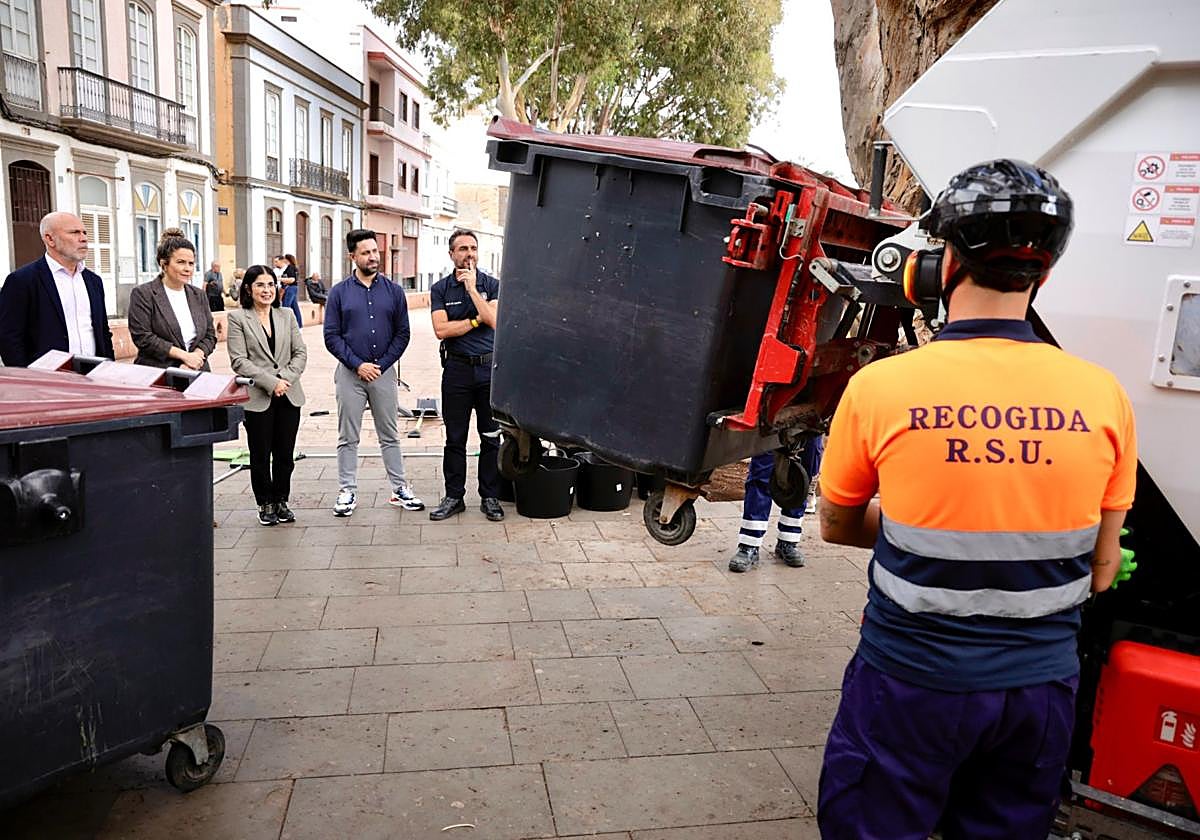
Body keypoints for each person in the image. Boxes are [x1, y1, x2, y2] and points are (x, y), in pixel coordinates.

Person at [815, 159, 1137, 840]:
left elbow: (837, 524)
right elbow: (1103, 571)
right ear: (1044, 274)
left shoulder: (880, 389)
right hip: (1039, 697)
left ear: (941, 264)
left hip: (908, 686)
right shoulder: (1104, 395)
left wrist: (926, 526)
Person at [323, 228, 424, 516]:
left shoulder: (394, 291)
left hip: (383, 372)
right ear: (352, 256)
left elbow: (403, 333)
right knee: (348, 435)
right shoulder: (339, 293)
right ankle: (347, 490)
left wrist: (381, 364)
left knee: (389, 434)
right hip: (349, 373)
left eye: (375, 251)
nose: (373, 257)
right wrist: (358, 365)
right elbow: (332, 336)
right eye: (366, 253)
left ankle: (399, 488)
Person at [427, 229, 503, 522]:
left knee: (491, 437)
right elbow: (441, 331)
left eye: (473, 248)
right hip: (457, 371)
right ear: (451, 254)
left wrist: (473, 291)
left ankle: (491, 497)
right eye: (462, 249)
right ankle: (454, 496)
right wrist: (475, 318)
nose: (469, 253)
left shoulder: (492, 285)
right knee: (455, 438)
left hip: (488, 371)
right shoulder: (441, 289)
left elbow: (496, 321)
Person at [226, 265, 308, 526]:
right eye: (260, 285)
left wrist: (286, 379)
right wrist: (272, 382)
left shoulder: (286, 315)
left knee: (285, 453)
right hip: (258, 397)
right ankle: (265, 503)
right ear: (249, 288)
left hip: (289, 394)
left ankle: (282, 500)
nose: (267, 290)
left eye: (271, 284)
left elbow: (301, 353)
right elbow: (239, 360)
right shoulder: (238, 318)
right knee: (260, 454)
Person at [0, 210, 114, 366]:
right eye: (74, 232)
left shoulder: (94, 282)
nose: (84, 238)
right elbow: (9, 337)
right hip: (47, 381)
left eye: (84, 232)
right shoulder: (22, 281)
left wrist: (109, 370)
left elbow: (102, 333)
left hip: (93, 376)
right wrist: (27, 378)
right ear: (50, 239)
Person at [728, 437, 824, 572]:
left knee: (803, 475)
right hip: (774, 418)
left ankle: (788, 540)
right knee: (762, 469)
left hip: (815, 419)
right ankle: (749, 544)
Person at [127, 228, 216, 370]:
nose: (188, 269)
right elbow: (143, 337)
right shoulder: (143, 294)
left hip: (197, 370)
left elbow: (210, 335)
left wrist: (196, 357)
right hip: (159, 372)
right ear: (164, 265)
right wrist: (184, 356)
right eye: (181, 262)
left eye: (191, 263)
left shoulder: (198, 295)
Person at [275, 254, 303, 326]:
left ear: (287, 259)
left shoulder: (290, 268)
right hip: (293, 288)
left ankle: (285, 325)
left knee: (285, 306)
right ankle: (299, 325)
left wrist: (279, 278)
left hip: (290, 288)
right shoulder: (293, 267)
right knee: (295, 307)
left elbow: (292, 279)